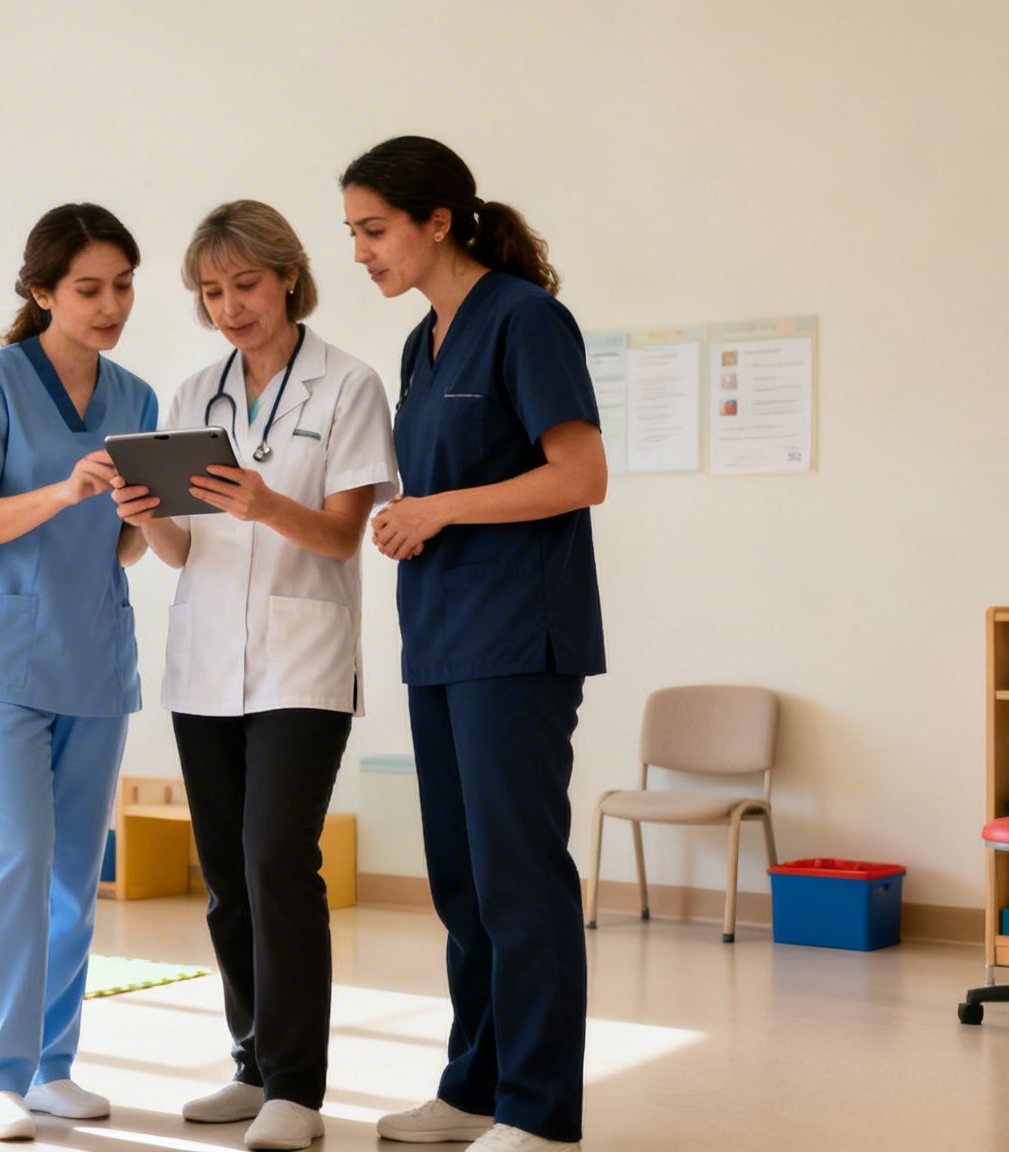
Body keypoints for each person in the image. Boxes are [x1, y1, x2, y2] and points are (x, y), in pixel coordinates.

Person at [340, 136, 609, 1152]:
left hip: (518, 637)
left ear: (436, 219)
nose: (361, 253)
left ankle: (538, 1112)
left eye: (374, 230)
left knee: (517, 877)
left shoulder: (526, 320)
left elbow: (578, 476)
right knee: (458, 878)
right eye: (354, 234)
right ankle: (474, 1086)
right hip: (441, 636)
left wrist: (439, 509)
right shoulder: (422, 343)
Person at [111, 199, 394, 1152]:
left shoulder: (347, 386)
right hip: (204, 666)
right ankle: (249, 1065)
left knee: (279, 859)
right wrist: (145, 512)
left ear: (286, 277)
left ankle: (298, 1091)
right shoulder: (193, 394)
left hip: (302, 664)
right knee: (227, 873)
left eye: (245, 285)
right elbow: (181, 553)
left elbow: (343, 535)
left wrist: (269, 502)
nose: (231, 307)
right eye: (211, 292)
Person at [0, 202, 158, 1141]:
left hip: (94, 656)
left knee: (72, 873)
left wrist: (141, 515)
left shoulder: (138, 398)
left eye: (123, 288)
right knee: (16, 860)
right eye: (88, 290)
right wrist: (65, 490)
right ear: (41, 292)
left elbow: (127, 551)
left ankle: (51, 1065)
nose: (110, 307)